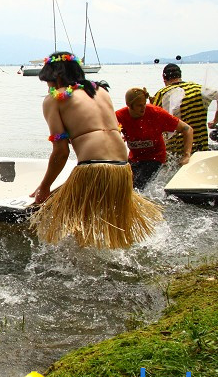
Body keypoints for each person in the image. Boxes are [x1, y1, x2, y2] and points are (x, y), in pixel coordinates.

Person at [29, 52, 162, 249]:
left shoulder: (54, 99)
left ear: (56, 76)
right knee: (97, 221)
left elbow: (61, 152)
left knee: (50, 215)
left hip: (93, 169)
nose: (48, 86)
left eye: (47, 81)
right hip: (123, 169)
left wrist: (44, 187)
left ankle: (71, 262)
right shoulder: (100, 91)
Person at [116, 87, 193, 190]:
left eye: (144, 104)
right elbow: (110, 134)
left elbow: (187, 129)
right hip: (135, 158)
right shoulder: (119, 116)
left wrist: (186, 155)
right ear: (129, 105)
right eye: (139, 105)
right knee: (123, 184)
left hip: (156, 157)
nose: (143, 108)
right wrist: (117, 137)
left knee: (137, 187)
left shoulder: (156, 113)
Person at [151, 63, 218, 154]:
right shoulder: (198, 89)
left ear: (164, 78)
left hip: (176, 150)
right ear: (180, 75)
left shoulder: (162, 93)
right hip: (201, 148)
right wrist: (216, 120)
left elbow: (152, 122)